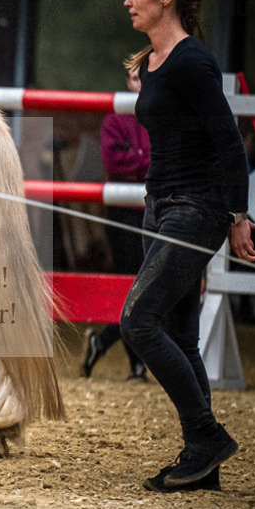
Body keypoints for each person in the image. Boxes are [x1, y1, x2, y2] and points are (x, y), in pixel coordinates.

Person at [117, 0, 255, 494]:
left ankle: (206, 436)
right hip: (161, 204)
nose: (127, 1)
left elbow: (228, 141)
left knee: (138, 322)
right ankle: (203, 465)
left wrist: (237, 217)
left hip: (196, 209)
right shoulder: (153, 61)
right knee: (180, 334)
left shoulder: (193, 62)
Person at [82, 67, 149, 380]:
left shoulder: (162, 116)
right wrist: (147, 160)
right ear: (127, 82)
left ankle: (103, 342)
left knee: (144, 286)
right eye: (136, 78)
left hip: (153, 210)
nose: (140, 84)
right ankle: (135, 363)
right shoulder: (114, 119)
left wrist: (135, 157)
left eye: (145, 77)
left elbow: (161, 160)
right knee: (131, 285)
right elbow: (114, 163)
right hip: (123, 213)